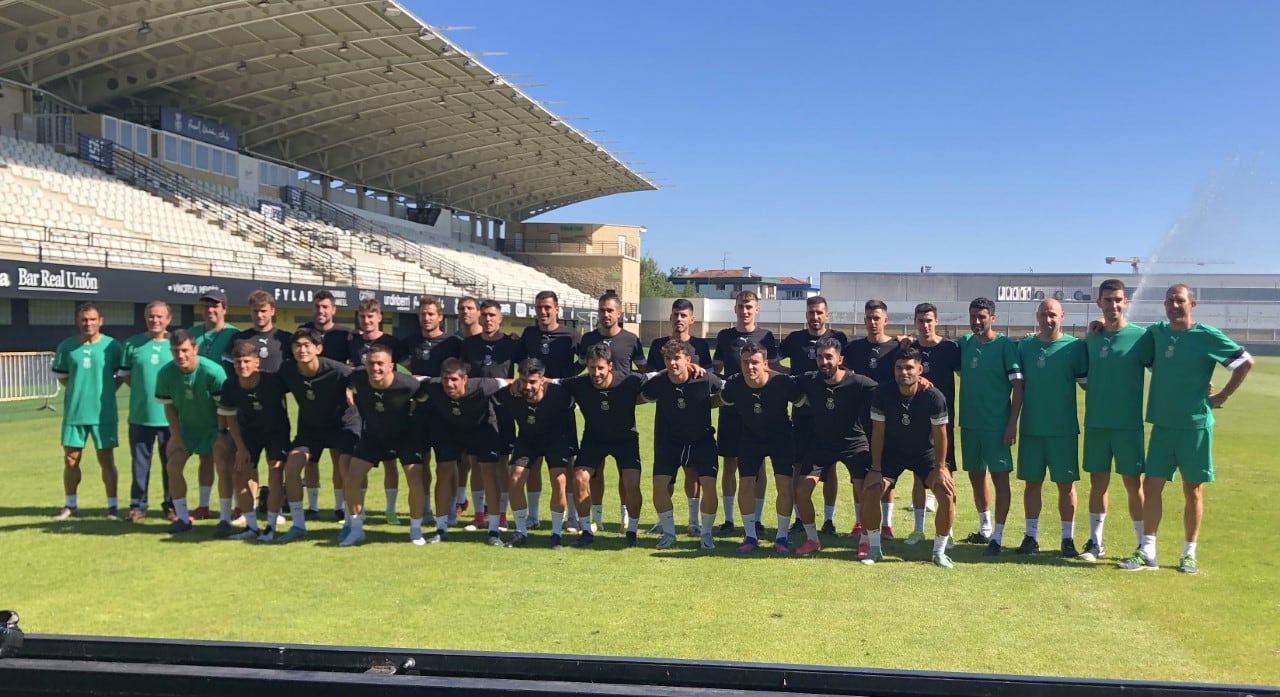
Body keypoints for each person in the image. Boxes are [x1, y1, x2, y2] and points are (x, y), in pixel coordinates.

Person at [1118, 284, 1253, 574]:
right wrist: (1098, 326)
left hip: (1195, 427)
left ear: (1193, 304)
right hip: (1163, 426)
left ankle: (1189, 554)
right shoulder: (1157, 333)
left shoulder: (1206, 335)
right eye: (1169, 301)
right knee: (1150, 486)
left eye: (1180, 301)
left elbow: (1244, 362)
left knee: (1192, 490)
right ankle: (1148, 551)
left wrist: (1222, 396)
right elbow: (1132, 347)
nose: (1173, 306)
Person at [1080, 279, 1153, 561]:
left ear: (1126, 302)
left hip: (1128, 425)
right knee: (1098, 484)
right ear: (1099, 302)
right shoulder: (1093, 337)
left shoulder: (1140, 337)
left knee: (1134, 485)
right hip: (1097, 424)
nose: (1114, 305)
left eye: (1118, 299)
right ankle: (1095, 543)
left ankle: (1142, 545)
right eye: (1108, 300)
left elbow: (1163, 369)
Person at [862, 349, 956, 567]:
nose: (903, 372)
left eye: (909, 368)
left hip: (925, 453)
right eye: (899, 368)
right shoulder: (882, 394)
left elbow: (941, 435)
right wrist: (876, 468)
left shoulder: (934, 396)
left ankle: (939, 552)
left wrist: (941, 468)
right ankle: (875, 549)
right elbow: (878, 432)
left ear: (920, 370)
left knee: (945, 492)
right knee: (871, 490)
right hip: (892, 453)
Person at [1015, 299, 1088, 557]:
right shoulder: (1024, 348)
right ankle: (1030, 537)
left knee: (1065, 485)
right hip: (1032, 428)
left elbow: (1089, 383)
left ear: (1062, 316)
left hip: (1063, 429)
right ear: (1037, 316)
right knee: (1032, 484)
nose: (1048, 320)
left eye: (1053, 315)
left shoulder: (1075, 347)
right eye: (1044, 315)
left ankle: (1067, 539)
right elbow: (1016, 387)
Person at [339, 343, 430, 547]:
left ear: (391, 366)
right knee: (352, 477)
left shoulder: (408, 385)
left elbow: (426, 395)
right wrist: (347, 392)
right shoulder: (358, 378)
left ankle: (415, 531)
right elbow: (339, 377)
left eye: (380, 363)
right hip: (374, 436)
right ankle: (355, 529)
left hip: (405, 436)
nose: (375, 368)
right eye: (371, 363)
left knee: (415, 481)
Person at [793, 337, 877, 556]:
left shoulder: (858, 382)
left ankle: (865, 541)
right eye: (820, 357)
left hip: (854, 444)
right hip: (822, 444)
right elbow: (779, 382)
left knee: (863, 490)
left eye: (829, 357)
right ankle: (812, 540)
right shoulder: (810, 380)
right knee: (802, 491)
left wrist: (922, 382)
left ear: (840, 359)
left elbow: (887, 392)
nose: (824, 362)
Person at [276, 328, 361, 542]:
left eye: (307, 345)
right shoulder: (287, 370)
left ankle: (352, 524)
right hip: (310, 428)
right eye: (297, 345)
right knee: (292, 467)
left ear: (318, 349)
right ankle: (298, 525)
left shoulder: (338, 370)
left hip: (342, 424)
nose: (302, 350)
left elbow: (364, 381)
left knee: (345, 467)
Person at [561, 344, 650, 547]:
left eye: (600, 368)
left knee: (631, 483)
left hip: (625, 439)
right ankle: (586, 531)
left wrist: (691, 368)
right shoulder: (579, 383)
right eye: (592, 368)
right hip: (594, 439)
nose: (596, 373)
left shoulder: (629, 380)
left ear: (610, 366)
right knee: (579, 478)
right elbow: (551, 383)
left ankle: (632, 531)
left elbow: (658, 377)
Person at [719, 341, 803, 554]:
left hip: (781, 438)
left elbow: (805, 402)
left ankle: (782, 538)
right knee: (746, 484)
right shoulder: (734, 385)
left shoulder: (783, 383)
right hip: (750, 438)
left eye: (755, 362)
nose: (750, 367)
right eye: (745, 362)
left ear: (766, 363)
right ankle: (750, 536)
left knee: (784, 485)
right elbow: (715, 398)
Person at [417, 357, 511, 545]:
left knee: (489, 474)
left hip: (482, 429)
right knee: (443, 472)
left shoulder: (483, 385)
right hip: (449, 430)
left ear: (464, 379)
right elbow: (412, 380)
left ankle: (493, 530)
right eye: (445, 379)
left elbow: (509, 382)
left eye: (454, 379)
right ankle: (441, 528)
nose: (449, 384)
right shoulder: (433, 385)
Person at [641, 341, 723, 550]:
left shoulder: (703, 379)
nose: (672, 363)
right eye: (668, 359)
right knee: (659, 485)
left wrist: (712, 403)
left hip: (701, 440)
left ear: (688, 360)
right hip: (670, 441)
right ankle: (669, 534)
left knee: (709, 484)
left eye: (677, 358)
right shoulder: (658, 383)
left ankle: (706, 534)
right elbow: (640, 389)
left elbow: (729, 391)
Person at [957, 297, 1023, 556]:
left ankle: (999, 534)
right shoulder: (965, 344)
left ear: (992, 318)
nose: (976, 321)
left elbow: (1018, 387)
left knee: (999, 478)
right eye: (973, 316)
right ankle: (984, 529)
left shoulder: (1005, 345)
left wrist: (1011, 424)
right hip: (970, 424)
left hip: (996, 425)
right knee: (975, 476)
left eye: (982, 317)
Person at [779, 296, 847, 537]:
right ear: (806, 315)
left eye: (819, 312)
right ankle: (799, 517)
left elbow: (847, 369)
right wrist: (793, 375)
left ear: (826, 315)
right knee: (799, 465)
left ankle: (829, 520)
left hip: (829, 413)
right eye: (811, 312)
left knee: (830, 468)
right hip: (801, 413)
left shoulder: (839, 339)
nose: (815, 317)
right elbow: (771, 362)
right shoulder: (795, 339)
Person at [645, 299, 714, 535]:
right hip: (666, 417)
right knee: (665, 471)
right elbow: (649, 378)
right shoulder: (658, 345)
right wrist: (671, 369)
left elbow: (708, 376)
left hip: (695, 418)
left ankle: (693, 521)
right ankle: (662, 520)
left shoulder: (700, 346)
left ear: (691, 320)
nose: (679, 319)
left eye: (684, 315)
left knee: (693, 471)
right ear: (670, 317)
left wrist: (697, 369)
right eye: (675, 314)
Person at [713, 290, 779, 537]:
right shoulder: (725, 336)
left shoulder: (766, 336)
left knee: (758, 465)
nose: (745, 311)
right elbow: (716, 369)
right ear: (735, 309)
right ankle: (729, 520)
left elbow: (771, 369)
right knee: (729, 463)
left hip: (757, 411)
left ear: (757, 309)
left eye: (749, 307)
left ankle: (757, 519)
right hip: (730, 408)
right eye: (741, 306)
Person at [579, 292, 646, 532]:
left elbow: (643, 370)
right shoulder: (588, 339)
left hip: (623, 413)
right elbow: (577, 370)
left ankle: (625, 515)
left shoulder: (631, 339)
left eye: (610, 311)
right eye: (602, 310)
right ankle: (597, 517)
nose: (605, 315)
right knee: (594, 472)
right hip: (595, 414)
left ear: (619, 313)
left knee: (624, 472)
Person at [515, 290, 581, 531]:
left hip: (562, 406)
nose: (543, 312)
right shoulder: (529, 334)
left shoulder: (571, 335)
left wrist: (565, 380)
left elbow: (584, 360)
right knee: (533, 462)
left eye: (547, 308)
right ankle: (533, 515)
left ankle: (572, 516)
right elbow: (521, 364)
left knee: (567, 463)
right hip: (533, 405)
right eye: (539, 307)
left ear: (557, 309)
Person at [52, 302, 124, 520]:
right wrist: (80, 392)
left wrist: (103, 391)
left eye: (92, 319)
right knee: (71, 460)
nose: (88, 323)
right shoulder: (67, 346)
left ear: (100, 321)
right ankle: (70, 505)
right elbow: (63, 377)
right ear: (78, 321)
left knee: (106, 459)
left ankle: (112, 507)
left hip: (103, 413)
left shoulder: (113, 346)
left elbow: (120, 376)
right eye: (84, 319)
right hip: (75, 412)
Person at [224, 290, 293, 519]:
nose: (259, 315)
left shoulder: (284, 339)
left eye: (263, 311)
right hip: (247, 416)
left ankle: (276, 511)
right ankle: (248, 512)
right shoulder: (240, 339)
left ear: (272, 311)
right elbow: (231, 377)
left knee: (275, 466)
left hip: (276, 413)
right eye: (255, 311)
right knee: (246, 467)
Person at [496, 358, 576, 548]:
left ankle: (556, 533)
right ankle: (521, 531)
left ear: (542, 380)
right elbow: (491, 396)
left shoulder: (559, 395)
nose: (527, 386)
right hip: (528, 440)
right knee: (515, 478)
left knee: (559, 480)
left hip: (556, 440)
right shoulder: (510, 394)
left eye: (532, 382)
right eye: (523, 381)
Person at [216, 342, 292, 540]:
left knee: (275, 473)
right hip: (249, 434)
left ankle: (271, 526)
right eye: (238, 362)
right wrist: (240, 447)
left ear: (257, 363)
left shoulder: (273, 381)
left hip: (276, 432)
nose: (242, 366)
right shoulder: (230, 385)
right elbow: (229, 416)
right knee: (239, 474)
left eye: (247, 361)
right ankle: (251, 526)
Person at [155, 329, 227, 533]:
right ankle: (183, 519)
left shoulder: (213, 372)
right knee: (173, 467)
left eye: (185, 350)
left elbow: (225, 408)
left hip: (215, 427)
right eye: (176, 351)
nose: (180, 355)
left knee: (222, 466)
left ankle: (224, 518)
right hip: (187, 429)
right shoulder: (165, 373)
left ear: (195, 349)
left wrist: (222, 435)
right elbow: (169, 406)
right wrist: (176, 436)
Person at [842, 299, 902, 540]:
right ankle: (860, 522)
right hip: (860, 418)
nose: (872, 322)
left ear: (885, 320)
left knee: (885, 472)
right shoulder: (855, 349)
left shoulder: (897, 347)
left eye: (877, 317)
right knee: (859, 473)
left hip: (889, 418)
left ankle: (886, 524)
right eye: (868, 318)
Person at [460, 299, 521, 534]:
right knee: (477, 463)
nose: (488, 319)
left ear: (500, 318)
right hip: (475, 411)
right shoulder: (469, 344)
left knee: (502, 464)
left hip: (503, 409)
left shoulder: (512, 344)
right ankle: (478, 515)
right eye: (484, 315)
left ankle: (502, 516)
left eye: (492, 315)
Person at [401, 296, 462, 525]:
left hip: (446, 411)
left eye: (430, 314)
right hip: (418, 410)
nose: (426, 318)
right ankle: (425, 508)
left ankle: (450, 508)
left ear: (440, 317)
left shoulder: (453, 344)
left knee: (448, 463)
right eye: (422, 314)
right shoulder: (410, 342)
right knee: (422, 462)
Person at [905, 303, 960, 544]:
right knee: (919, 476)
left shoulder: (950, 348)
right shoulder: (909, 349)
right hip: (917, 422)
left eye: (929, 320)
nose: (925, 325)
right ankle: (918, 529)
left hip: (943, 422)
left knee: (945, 475)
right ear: (915, 322)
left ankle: (947, 529)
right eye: (920, 321)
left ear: (936, 321)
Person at [347, 298, 405, 524]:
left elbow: (404, 370)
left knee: (391, 463)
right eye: (362, 317)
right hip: (362, 409)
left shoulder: (392, 342)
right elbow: (347, 368)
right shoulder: (352, 340)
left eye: (371, 316)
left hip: (389, 409)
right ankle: (356, 511)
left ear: (380, 318)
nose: (366, 320)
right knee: (358, 461)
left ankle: (390, 511)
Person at [298, 290, 352, 520]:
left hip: (337, 406)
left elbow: (352, 365)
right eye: (318, 307)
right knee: (311, 460)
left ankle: (339, 507)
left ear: (333, 310)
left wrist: (349, 390)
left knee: (338, 459)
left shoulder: (344, 335)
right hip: (310, 406)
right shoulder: (303, 332)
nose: (321, 311)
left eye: (326, 307)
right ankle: (313, 507)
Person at [120, 302, 174, 522]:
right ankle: (138, 506)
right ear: (145, 318)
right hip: (141, 416)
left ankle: (171, 505)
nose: (155, 320)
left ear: (168, 320)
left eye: (160, 317)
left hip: (170, 418)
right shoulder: (132, 344)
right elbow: (126, 376)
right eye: (151, 316)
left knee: (171, 465)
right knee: (140, 465)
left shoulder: (176, 344)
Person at [188, 289, 236, 520]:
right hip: (201, 405)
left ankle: (238, 505)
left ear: (224, 309)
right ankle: (204, 505)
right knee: (205, 456)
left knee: (232, 456)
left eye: (215, 305)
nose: (210, 310)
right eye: (206, 306)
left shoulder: (236, 335)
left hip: (229, 404)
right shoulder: (192, 334)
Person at [452, 296, 483, 521]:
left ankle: (489, 509)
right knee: (461, 458)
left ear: (478, 312)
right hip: (462, 406)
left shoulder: (491, 338)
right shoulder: (455, 342)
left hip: (488, 405)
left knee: (484, 461)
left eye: (470, 308)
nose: (466, 312)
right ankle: (461, 500)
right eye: (462, 308)